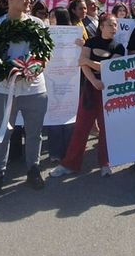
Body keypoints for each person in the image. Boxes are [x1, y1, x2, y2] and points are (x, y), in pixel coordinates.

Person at [0, 0, 50, 194]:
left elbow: (45, 56)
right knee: (2, 133)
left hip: (35, 90)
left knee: (34, 133)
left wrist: (33, 68)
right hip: (5, 90)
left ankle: (33, 169)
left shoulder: (38, 24)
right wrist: (8, 71)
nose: (29, 0)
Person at [51, 13, 127, 178]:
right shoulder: (91, 42)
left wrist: (89, 62)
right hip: (90, 90)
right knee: (81, 127)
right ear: (102, 26)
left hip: (109, 91)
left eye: (115, 25)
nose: (114, 28)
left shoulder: (119, 47)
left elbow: (108, 67)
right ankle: (69, 164)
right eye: (110, 24)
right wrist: (93, 80)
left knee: (106, 129)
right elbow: (82, 62)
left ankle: (105, 163)